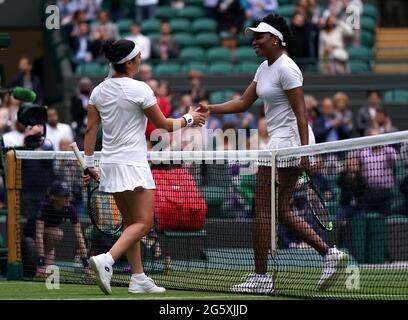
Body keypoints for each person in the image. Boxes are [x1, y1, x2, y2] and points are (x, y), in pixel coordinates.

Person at [198, 14, 348, 294]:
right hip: (282, 142)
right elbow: (244, 102)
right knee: (280, 210)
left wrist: (305, 151)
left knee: (262, 210)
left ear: (276, 39)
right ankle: (329, 253)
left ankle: (261, 277)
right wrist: (211, 108)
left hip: (289, 143)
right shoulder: (263, 69)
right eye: (253, 36)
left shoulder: (287, 69)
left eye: (259, 36)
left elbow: (301, 113)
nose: (254, 41)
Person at [83, 39, 206, 295]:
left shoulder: (97, 91)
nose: (140, 60)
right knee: (144, 223)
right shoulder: (140, 90)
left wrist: (88, 164)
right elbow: (164, 124)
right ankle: (107, 259)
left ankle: (138, 277)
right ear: (128, 62)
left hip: (110, 163)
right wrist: (191, 117)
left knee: (131, 222)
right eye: (138, 57)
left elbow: (90, 129)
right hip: (133, 164)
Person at [35, 180, 90, 278]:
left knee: (48, 275)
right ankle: (39, 264)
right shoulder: (44, 206)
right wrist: (40, 262)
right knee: (57, 234)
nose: (67, 198)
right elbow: (38, 234)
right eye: (63, 196)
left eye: (67, 195)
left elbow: (79, 236)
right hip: (33, 235)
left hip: (49, 238)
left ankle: (43, 267)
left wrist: (86, 265)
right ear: (53, 197)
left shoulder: (70, 209)